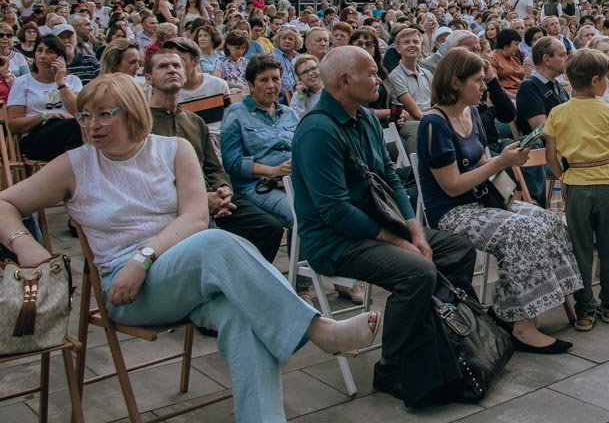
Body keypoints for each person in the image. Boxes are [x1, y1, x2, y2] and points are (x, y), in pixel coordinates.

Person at [0, 73, 379, 423]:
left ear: (131, 112)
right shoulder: (76, 164)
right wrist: (25, 245)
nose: (91, 125)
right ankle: (318, 329)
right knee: (215, 243)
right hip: (128, 288)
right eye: (84, 115)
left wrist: (144, 256)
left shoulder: (174, 149)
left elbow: (195, 216)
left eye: (104, 114)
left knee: (242, 316)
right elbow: (4, 203)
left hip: (178, 273)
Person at [289, 46, 477, 399]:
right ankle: (392, 368)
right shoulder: (318, 131)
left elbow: (390, 178)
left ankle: (439, 336)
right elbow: (336, 212)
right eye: (371, 73)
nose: (379, 79)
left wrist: (414, 229)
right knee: (416, 272)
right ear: (345, 81)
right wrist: (400, 242)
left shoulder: (364, 118)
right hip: (337, 241)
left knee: (458, 249)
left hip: (381, 226)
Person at [417, 47, 581, 354]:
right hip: (453, 212)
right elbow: (451, 187)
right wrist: (500, 164)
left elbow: (482, 161)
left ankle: (516, 310)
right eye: (478, 81)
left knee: (546, 220)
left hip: (482, 200)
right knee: (521, 231)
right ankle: (520, 324)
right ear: (455, 83)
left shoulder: (472, 113)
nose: (483, 87)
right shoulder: (434, 124)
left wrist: (504, 162)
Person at [146, 49, 284, 263]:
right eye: (163, 66)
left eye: (177, 66)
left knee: (267, 227)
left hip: (211, 196)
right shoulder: (141, 124)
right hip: (170, 203)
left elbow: (214, 167)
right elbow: (146, 179)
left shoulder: (193, 121)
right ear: (148, 78)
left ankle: (241, 285)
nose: (172, 70)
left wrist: (224, 190)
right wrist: (200, 200)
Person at [543, 49, 609, 331]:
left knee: (580, 248)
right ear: (596, 81)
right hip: (607, 181)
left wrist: (563, 177)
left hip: (575, 183)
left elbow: (550, 155)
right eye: (607, 77)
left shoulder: (558, 112)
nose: (608, 81)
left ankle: (585, 309)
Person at [220, 56, 301, 231]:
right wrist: (274, 171)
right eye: (264, 80)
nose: (271, 85)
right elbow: (232, 163)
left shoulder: (289, 113)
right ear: (250, 85)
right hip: (259, 186)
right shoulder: (236, 114)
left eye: (276, 79)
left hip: (296, 180)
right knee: (300, 215)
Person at [6, 34, 84, 160]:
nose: (42, 56)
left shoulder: (73, 81)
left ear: (61, 57)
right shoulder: (23, 82)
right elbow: (14, 124)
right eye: (39, 51)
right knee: (77, 126)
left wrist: (60, 83)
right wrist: (45, 116)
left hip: (69, 133)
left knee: (83, 125)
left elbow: (78, 112)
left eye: (49, 52)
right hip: (36, 137)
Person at [514, 37, 570, 206]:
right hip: (546, 153)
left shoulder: (557, 86)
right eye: (562, 55)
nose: (566, 59)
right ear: (547, 59)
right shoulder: (530, 86)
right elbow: (542, 129)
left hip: (564, 147)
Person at [388, 26, 434, 157]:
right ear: (398, 48)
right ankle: (415, 172)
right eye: (406, 42)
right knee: (418, 127)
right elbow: (413, 109)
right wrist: (432, 122)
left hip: (428, 115)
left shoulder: (426, 73)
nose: (412, 45)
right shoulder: (395, 75)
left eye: (415, 42)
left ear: (421, 46)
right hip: (408, 119)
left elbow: (435, 101)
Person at [490, 27, 525, 97]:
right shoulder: (493, 58)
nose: (518, 48)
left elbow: (525, 81)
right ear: (506, 45)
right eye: (516, 44)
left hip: (522, 94)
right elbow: (494, 86)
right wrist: (514, 97)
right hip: (507, 97)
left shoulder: (515, 59)